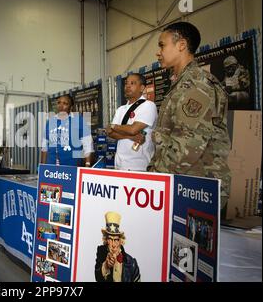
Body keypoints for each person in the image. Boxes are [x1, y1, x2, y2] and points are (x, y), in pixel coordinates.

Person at [147, 22, 231, 209]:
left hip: (198, 187)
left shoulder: (197, 84)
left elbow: (187, 144)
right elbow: (166, 140)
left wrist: (154, 179)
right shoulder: (182, 84)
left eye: (162, 45)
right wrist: (152, 173)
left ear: (181, 45)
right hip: (180, 182)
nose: (158, 52)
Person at [107, 73, 157, 171]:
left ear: (142, 88)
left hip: (139, 165)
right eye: (126, 83)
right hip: (119, 164)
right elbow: (110, 133)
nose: (128, 86)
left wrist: (113, 126)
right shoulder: (121, 109)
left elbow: (133, 129)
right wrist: (130, 137)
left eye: (132, 83)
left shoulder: (148, 106)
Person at [40, 94, 94, 167]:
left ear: (71, 107)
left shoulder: (79, 120)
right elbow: (44, 147)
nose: (61, 106)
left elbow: (88, 145)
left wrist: (87, 165)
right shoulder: (50, 121)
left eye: (65, 103)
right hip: (51, 167)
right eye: (59, 103)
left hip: (72, 166)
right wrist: (42, 167)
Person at [94, 212, 140, 282]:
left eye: (116, 240)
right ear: (106, 240)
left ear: (120, 241)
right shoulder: (101, 254)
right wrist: (106, 266)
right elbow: (97, 277)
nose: (113, 245)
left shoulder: (131, 263)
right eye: (110, 239)